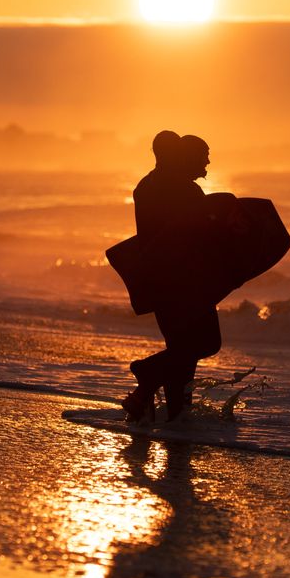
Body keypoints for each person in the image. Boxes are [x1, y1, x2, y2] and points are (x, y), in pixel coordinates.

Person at [121, 131, 224, 424]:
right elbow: (201, 240)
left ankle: (165, 411)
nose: (207, 163)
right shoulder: (185, 191)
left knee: (182, 351)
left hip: (157, 282)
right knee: (206, 343)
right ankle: (148, 371)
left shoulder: (145, 187)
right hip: (187, 283)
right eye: (203, 156)